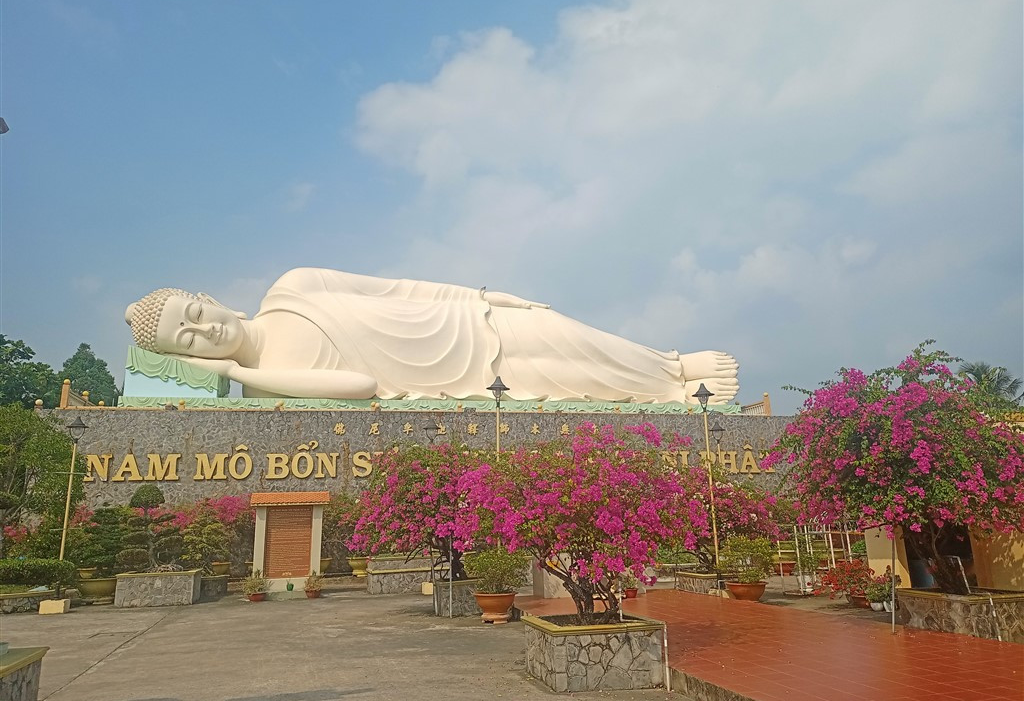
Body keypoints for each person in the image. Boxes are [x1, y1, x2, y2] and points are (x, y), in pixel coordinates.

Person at [125, 267, 739, 403]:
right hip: (446, 379)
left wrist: (478, 296)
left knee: (565, 335)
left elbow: (398, 290)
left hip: (457, 324)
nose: (206, 330)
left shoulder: (292, 287)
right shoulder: (265, 385)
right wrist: (237, 373)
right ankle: (676, 394)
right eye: (190, 341)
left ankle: (673, 362)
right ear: (189, 359)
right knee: (569, 379)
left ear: (209, 299)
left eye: (195, 313)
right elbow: (360, 385)